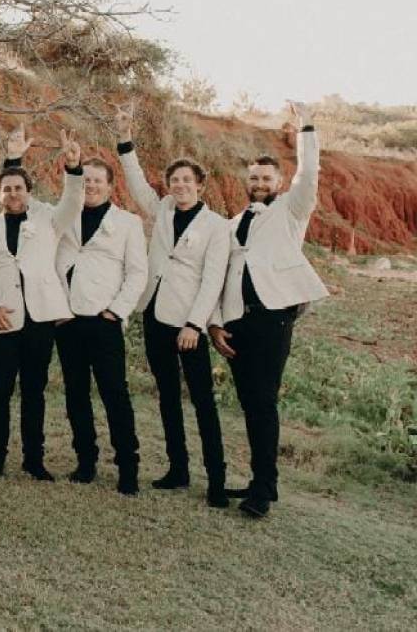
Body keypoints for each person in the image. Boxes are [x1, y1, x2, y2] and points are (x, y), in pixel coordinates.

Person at [209, 102, 328, 519]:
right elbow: (221, 275)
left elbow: (309, 174)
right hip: (237, 321)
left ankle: (262, 490)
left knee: (262, 402)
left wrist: (306, 129)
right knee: (249, 402)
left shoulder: (290, 211)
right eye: (254, 178)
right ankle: (265, 480)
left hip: (273, 318)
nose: (259, 183)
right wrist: (215, 324)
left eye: (266, 177)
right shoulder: (233, 221)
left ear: (278, 181)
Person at [115, 105, 231, 507]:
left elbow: (213, 279)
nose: (180, 185)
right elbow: (134, 182)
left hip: (189, 324)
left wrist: (195, 326)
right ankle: (177, 469)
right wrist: (125, 139)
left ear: (199, 184)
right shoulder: (162, 209)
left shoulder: (217, 226)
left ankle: (216, 480)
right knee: (167, 396)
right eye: (174, 180)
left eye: (187, 179)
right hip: (155, 314)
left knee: (201, 401)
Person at [0, 130, 82, 480]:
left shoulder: (48, 220)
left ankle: (34, 460)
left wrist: (73, 166)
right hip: (1, 320)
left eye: (19, 188)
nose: (13, 193)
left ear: (29, 193)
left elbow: (73, 201)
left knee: (34, 392)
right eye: (7, 188)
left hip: (39, 319)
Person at [50, 138, 147, 496]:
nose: (90, 186)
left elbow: (138, 273)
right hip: (68, 320)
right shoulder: (62, 214)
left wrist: (115, 312)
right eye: (84, 180)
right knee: (76, 394)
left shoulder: (127, 223)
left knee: (114, 394)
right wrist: (59, 312)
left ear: (110, 186)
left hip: (104, 321)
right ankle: (85, 461)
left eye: (97, 181)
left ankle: (128, 466)